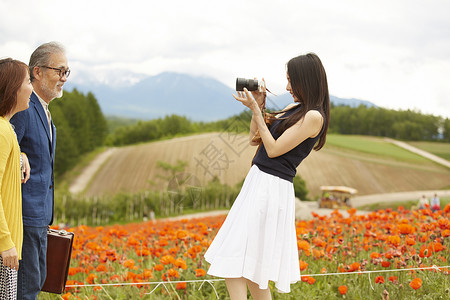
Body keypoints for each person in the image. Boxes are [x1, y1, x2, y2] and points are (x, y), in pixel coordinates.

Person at [204, 53, 330, 299]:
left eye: (291, 81)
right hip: (259, 182)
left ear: (306, 81)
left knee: (234, 256)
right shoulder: (295, 108)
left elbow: (273, 149)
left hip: (271, 187)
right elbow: (255, 140)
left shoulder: (314, 116)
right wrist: (258, 108)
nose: (287, 87)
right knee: (253, 269)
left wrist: (257, 111)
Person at [10, 42, 69, 300]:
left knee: (35, 284)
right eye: (59, 71)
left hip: (39, 217)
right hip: (24, 216)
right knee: (27, 289)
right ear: (37, 72)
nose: (63, 78)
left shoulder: (43, 109)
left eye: (67, 72)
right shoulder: (23, 107)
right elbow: (8, 147)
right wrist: (20, 155)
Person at [0, 58, 33, 299]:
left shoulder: (7, 129)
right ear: (13, 88)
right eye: (28, 81)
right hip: (3, 248)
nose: (31, 87)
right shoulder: (2, 130)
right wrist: (5, 242)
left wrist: (21, 156)